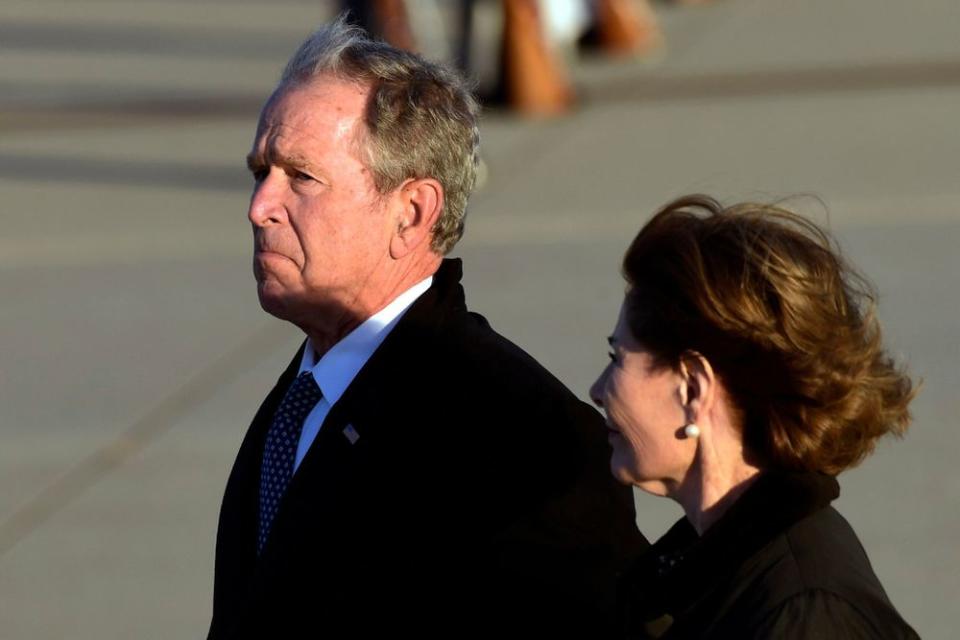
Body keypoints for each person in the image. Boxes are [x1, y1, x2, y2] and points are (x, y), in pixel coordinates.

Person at [208, 16, 645, 638]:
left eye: (300, 177)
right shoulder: (303, 399)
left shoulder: (520, 436)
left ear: (412, 213)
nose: (260, 207)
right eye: (261, 172)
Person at [589, 195, 919, 639]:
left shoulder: (803, 613)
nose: (597, 391)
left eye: (618, 358)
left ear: (693, 389)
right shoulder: (708, 571)